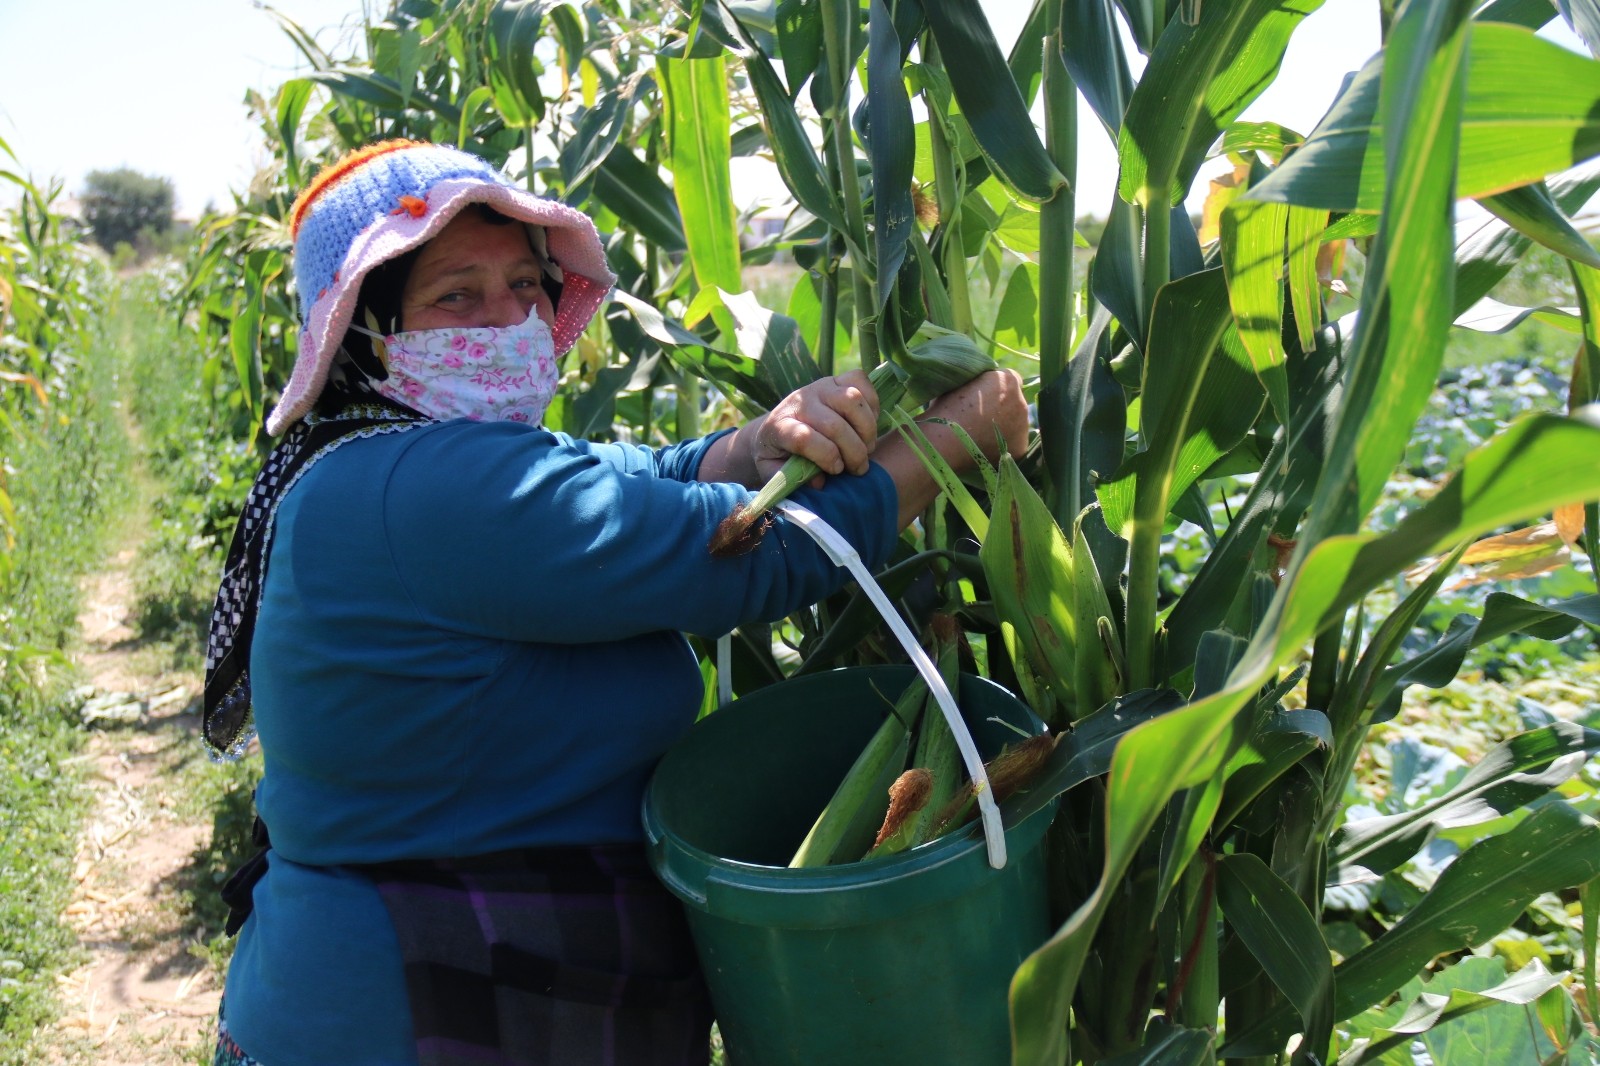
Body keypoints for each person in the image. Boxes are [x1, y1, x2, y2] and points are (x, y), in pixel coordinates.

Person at [202, 139, 1028, 1066]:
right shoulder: (425, 486)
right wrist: (962, 436)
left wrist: (758, 443)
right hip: (414, 1010)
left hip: (467, 979)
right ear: (364, 334)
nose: (509, 317)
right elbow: (748, 559)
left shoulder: (378, 458)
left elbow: (643, 477)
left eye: (524, 283)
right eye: (454, 296)